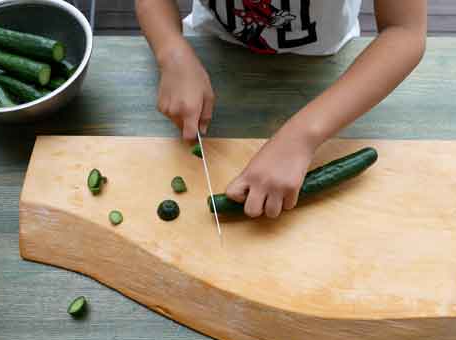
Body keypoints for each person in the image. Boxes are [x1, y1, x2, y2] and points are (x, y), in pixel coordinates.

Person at [136, 0, 427, 218]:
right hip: (210, 44)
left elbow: (405, 31)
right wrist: (171, 51)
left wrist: (303, 135)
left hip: (326, 69)